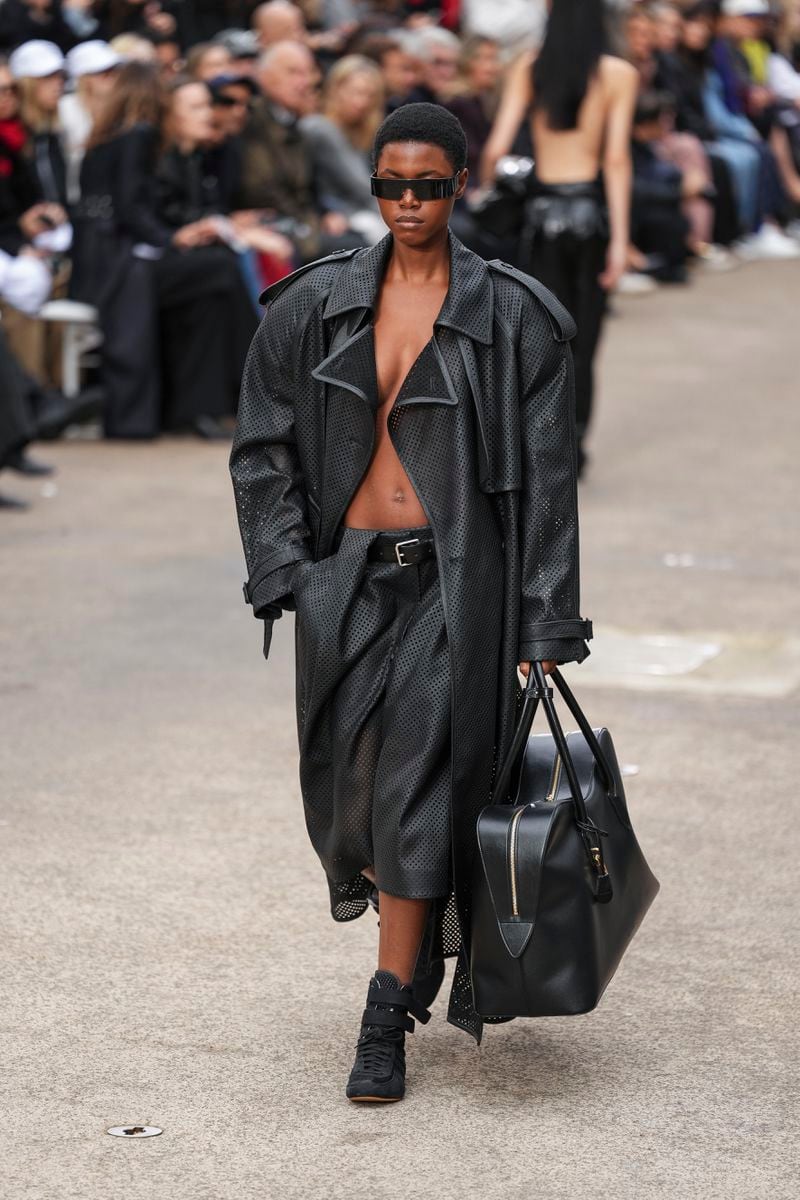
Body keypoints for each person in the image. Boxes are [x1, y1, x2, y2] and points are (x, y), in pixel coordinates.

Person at [230, 102, 592, 1102]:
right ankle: (413, 944)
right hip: (344, 577)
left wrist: (543, 620)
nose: (406, 203)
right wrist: (286, 571)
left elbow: (549, 480)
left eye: (426, 185)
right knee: (348, 789)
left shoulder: (513, 315)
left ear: (458, 186)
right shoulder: (309, 307)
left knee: (412, 778)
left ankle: (386, 1006)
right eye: (389, 184)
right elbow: (260, 447)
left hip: (456, 577)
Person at [481, 0, 638, 475]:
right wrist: (620, 240)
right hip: (589, 217)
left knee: (538, 336)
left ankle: (536, 444)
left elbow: (495, 149)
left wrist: (496, 188)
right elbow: (616, 159)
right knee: (584, 341)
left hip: (541, 217)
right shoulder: (617, 74)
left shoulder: (530, 66)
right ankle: (574, 446)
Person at [299, 53, 385, 242]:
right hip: (338, 213)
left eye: (370, 95)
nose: (362, 102)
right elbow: (361, 185)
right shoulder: (319, 127)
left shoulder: (364, 132)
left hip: (361, 211)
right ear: (336, 89)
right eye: (356, 92)